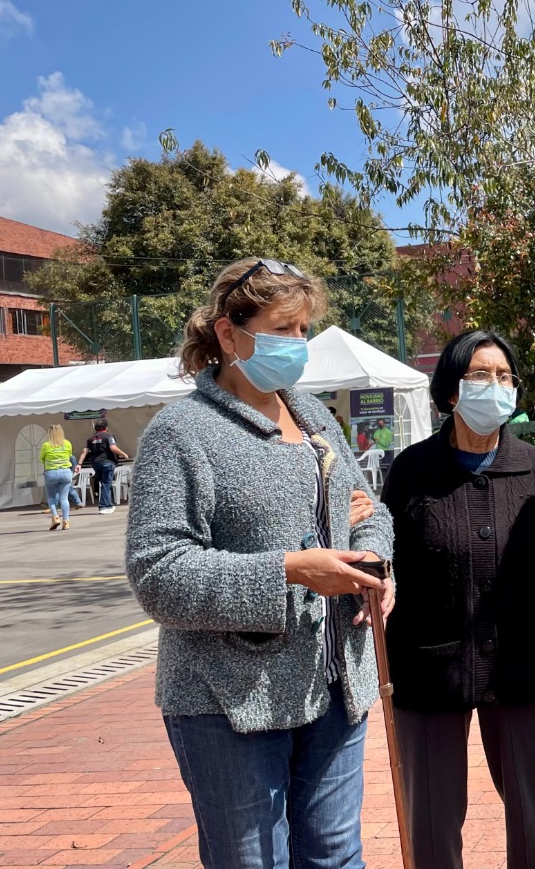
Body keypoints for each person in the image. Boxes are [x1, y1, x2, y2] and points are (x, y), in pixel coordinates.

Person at [125, 257, 393, 869]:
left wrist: (378, 564)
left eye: (304, 330)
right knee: (252, 860)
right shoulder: (181, 432)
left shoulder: (313, 415)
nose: (298, 345)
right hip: (230, 701)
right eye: (283, 329)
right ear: (228, 334)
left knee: (334, 855)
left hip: (335, 687)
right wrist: (289, 571)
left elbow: (367, 510)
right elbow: (157, 572)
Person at [380, 329, 535, 869]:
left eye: (505, 377)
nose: (496, 386)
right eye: (481, 375)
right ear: (452, 390)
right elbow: (382, 555)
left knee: (534, 820)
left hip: (522, 668)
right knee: (431, 827)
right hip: (429, 673)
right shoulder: (412, 471)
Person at [78, 418, 130, 514]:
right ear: (106, 427)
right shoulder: (108, 436)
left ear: (96, 428)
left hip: (96, 464)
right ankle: (103, 506)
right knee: (106, 484)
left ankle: (110, 504)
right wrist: (123, 454)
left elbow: (84, 451)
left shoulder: (90, 438)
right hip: (107, 462)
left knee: (105, 484)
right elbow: (113, 448)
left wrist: (79, 464)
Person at [39, 424, 78, 531]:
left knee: (51, 497)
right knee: (64, 498)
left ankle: (55, 517)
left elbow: (42, 459)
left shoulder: (46, 445)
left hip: (51, 472)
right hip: (66, 472)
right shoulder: (67, 443)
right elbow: (70, 456)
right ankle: (66, 521)